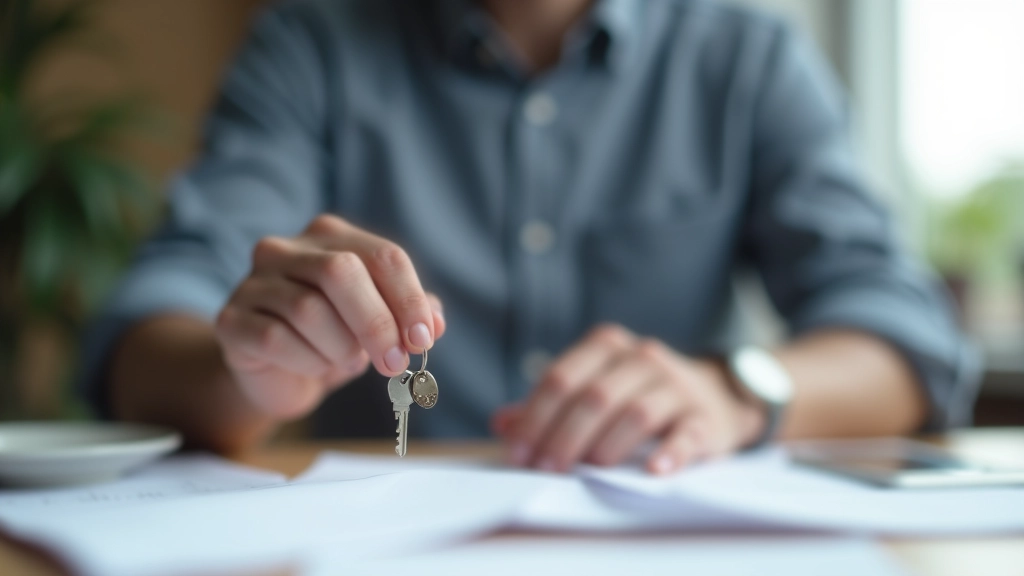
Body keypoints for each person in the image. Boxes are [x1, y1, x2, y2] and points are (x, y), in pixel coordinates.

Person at [84, 0, 978, 475]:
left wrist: (735, 392)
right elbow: (140, 341)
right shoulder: (309, 46)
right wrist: (246, 375)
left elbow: (907, 338)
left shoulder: (750, 60)